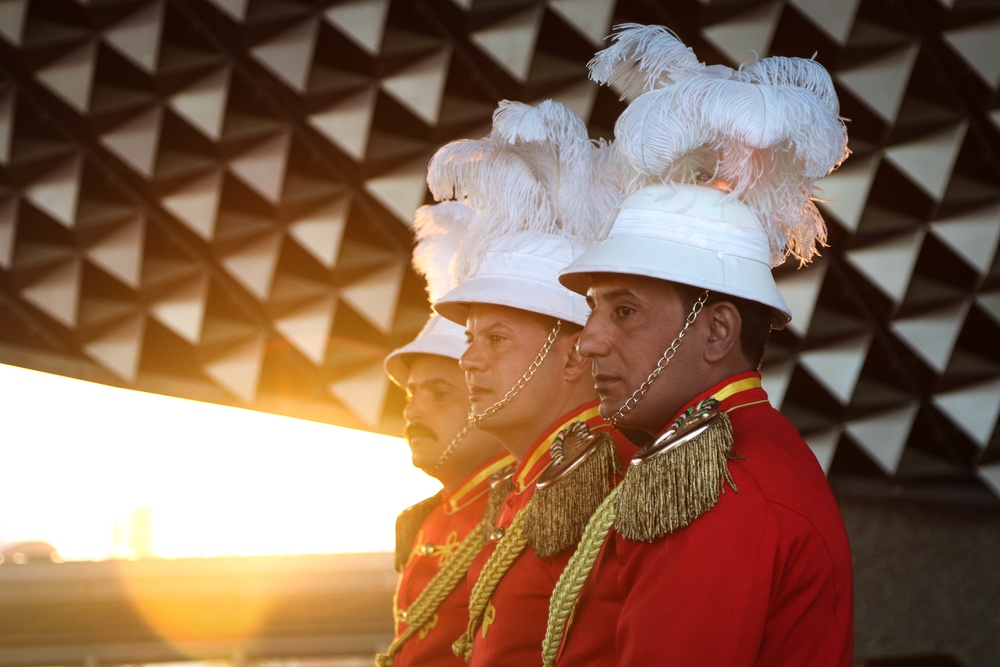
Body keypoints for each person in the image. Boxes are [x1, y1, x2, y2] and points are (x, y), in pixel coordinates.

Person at [543, 24, 855, 665]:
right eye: (592, 309)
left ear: (717, 331)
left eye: (624, 311)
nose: (590, 343)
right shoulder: (726, 459)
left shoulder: (718, 486)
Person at [427, 99, 635, 666]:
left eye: (495, 339)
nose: (468, 361)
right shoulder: (534, 482)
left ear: (572, 357)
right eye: (470, 340)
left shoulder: (606, 482)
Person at [376, 202, 512, 667]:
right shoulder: (427, 519)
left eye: (439, 392)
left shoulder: (528, 508)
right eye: (410, 394)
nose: (413, 409)